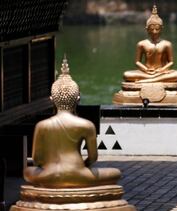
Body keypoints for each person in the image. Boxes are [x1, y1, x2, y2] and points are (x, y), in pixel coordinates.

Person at [24, 58, 121, 188]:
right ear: (78, 99)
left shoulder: (42, 126)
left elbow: (36, 159)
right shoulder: (86, 125)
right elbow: (92, 158)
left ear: (52, 100)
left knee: (27, 172)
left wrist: (49, 168)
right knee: (115, 173)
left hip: (50, 175)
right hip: (78, 173)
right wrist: (82, 168)